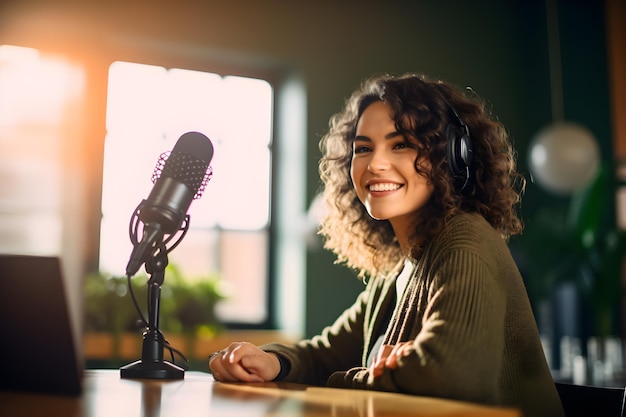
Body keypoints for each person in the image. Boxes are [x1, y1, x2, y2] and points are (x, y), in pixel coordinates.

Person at [208, 73, 565, 417]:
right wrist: (270, 361)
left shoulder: (464, 241)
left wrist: (347, 380)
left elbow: (449, 379)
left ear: (452, 157)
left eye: (401, 144)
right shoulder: (401, 264)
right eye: (363, 149)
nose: (375, 163)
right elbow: (325, 355)